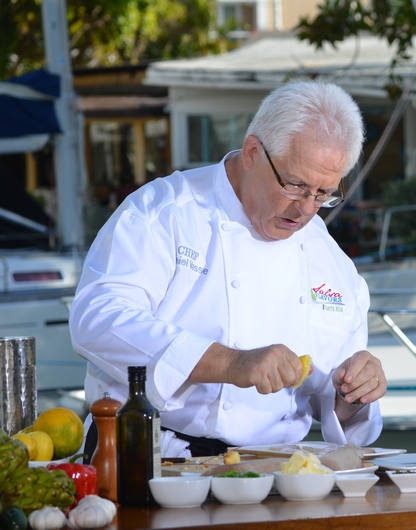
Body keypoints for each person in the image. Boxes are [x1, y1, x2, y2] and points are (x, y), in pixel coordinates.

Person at [69, 80, 385, 457]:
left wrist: (355, 391)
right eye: (295, 185)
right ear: (252, 152)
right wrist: (232, 363)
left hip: (275, 468)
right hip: (153, 454)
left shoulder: (330, 261)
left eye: (323, 194)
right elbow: (97, 320)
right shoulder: (164, 212)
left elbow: (333, 405)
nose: (306, 209)